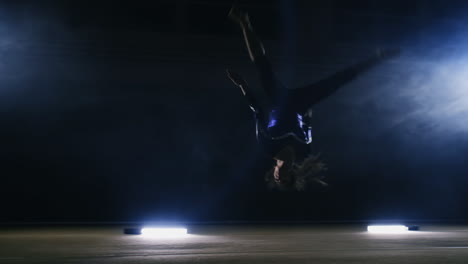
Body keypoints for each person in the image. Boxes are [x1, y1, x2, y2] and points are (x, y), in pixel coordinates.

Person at [227, 5, 399, 191]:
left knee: (262, 66)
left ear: (274, 173)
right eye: (284, 179)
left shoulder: (268, 147)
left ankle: (245, 23)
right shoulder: (304, 151)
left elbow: (258, 111)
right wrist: (310, 106)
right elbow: (307, 125)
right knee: (337, 81)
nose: (280, 177)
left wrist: (242, 85)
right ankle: (378, 58)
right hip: (302, 103)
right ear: (291, 174)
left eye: (277, 179)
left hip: (280, 100)